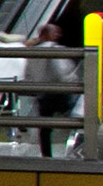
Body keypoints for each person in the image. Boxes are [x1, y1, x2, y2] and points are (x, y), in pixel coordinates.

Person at [23, 23, 78, 157]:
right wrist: (73, 81)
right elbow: (60, 72)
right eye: (55, 32)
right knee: (75, 116)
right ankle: (78, 146)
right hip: (59, 92)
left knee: (45, 126)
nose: (58, 35)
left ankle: (46, 154)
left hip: (42, 93)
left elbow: (28, 73)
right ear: (47, 34)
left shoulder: (32, 51)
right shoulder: (56, 49)